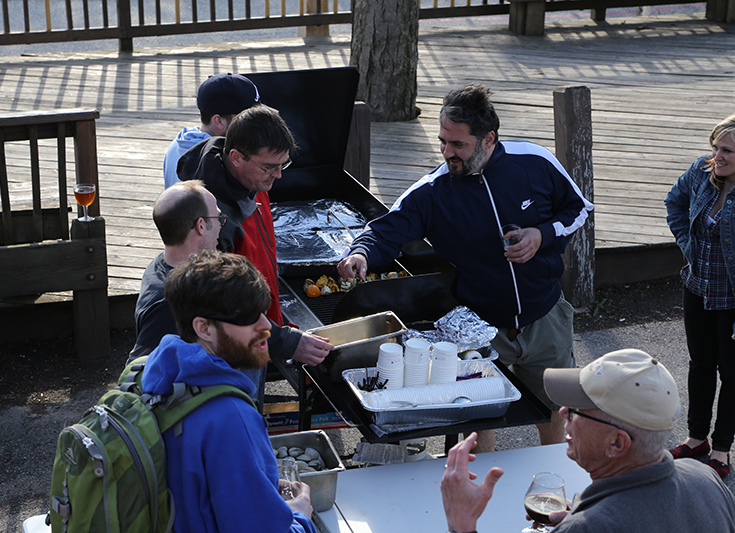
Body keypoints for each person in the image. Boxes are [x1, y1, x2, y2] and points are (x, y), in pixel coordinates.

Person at [337, 83, 593, 449]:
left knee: (557, 411)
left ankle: (555, 492)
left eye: (458, 145)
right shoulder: (432, 190)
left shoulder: (533, 161)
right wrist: (360, 253)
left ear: (488, 139)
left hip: (545, 319)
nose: (446, 153)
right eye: (442, 141)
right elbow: (384, 231)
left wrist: (542, 234)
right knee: (476, 416)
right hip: (478, 326)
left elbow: (578, 208)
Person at [441, 349, 735, 533]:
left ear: (617, 444)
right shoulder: (707, 480)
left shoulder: (591, 527)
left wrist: (461, 523)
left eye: (580, 409)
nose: (565, 411)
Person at [140, 250, 315, 533]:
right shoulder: (231, 418)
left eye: (263, 310)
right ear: (204, 328)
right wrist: (300, 515)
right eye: (246, 317)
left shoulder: (151, 373)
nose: (265, 326)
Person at [177, 105, 333, 396]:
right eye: (269, 167)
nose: (279, 176)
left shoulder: (253, 180)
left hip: (262, 330)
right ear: (235, 157)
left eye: (283, 165)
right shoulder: (213, 220)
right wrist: (284, 340)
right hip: (235, 349)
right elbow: (224, 306)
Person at [664, 113, 735, 479]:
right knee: (701, 364)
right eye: (715, 147)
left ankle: (721, 447)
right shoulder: (701, 171)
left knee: (732, 371)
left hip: (733, 298)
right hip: (697, 286)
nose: (717, 157)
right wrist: (686, 243)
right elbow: (673, 202)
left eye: (727, 151)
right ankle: (696, 438)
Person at [129, 181, 223, 362]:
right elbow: (141, 366)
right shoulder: (169, 303)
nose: (220, 225)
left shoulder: (159, 263)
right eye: (218, 218)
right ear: (201, 225)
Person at [163, 72, 261, 188]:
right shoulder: (215, 163)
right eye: (247, 117)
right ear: (219, 121)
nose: (255, 124)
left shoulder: (179, 142)